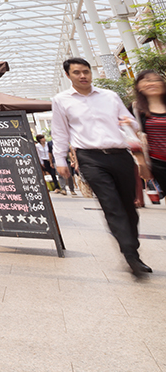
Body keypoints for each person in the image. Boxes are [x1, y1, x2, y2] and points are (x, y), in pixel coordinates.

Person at [52, 57, 150, 277]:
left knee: (128, 206)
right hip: (90, 158)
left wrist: (129, 123)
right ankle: (131, 256)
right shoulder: (61, 100)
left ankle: (132, 247)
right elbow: (60, 133)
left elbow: (131, 123)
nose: (83, 76)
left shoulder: (110, 96)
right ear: (68, 75)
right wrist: (60, 160)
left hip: (121, 155)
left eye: (86, 71)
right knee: (111, 205)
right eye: (76, 72)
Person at [132, 69, 166, 206]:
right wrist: (142, 163)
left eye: (155, 80)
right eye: (146, 80)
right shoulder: (136, 109)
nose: (151, 83)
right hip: (159, 164)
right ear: (138, 86)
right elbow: (131, 138)